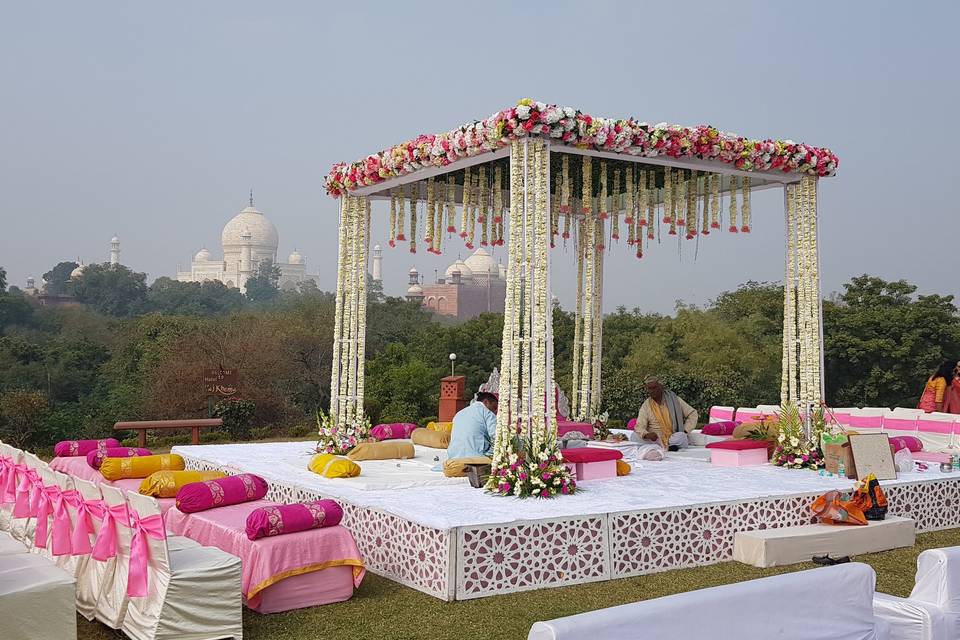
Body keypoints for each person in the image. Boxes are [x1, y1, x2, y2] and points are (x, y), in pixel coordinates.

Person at [632, 377, 698, 448]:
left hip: (672, 438)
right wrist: (647, 434)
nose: (651, 391)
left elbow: (693, 413)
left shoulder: (675, 400)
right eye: (649, 389)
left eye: (654, 388)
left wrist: (685, 431)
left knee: (681, 437)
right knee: (634, 436)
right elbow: (640, 426)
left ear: (661, 387)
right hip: (655, 440)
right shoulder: (646, 405)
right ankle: (667, 447)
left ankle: (664, 446)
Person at [447, 391, 498, 459]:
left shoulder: (458, 413)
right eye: (494, 407)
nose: (495, 412)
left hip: (454, 458)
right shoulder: (487, 412)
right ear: (486, 402)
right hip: (476, 458)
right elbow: (496, 436)